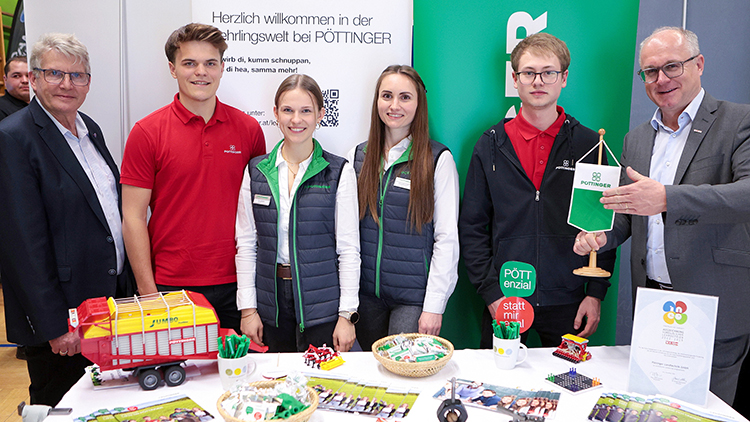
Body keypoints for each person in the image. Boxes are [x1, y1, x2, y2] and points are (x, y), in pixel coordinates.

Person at [574, 26, 750, 405]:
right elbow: (629, 213)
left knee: (707, 412)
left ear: (698, 64)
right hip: (653, 306)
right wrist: (604, 235)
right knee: (652, 407)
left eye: (672, 66)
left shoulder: (739, 121)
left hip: (713, 307)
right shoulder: (636, 139)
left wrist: (668, 198)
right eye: (650, 72)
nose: (661, 79)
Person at [459, 32, 615, 348]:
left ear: (564, 78)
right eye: (529, 73)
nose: (538, 81)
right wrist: (491, 294)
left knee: (567, 377)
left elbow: (604, 223)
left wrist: (595, 293)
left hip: (569, 301)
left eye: (548, 73)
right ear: (515, 79)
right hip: (506, 298)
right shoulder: (490, 145)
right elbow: (472, 226)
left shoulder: (589, 145)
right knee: (497, 376)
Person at [0, 33, 131, 406]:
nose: (67, 84)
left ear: (88, 82)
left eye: (77, 76)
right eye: (55, 73)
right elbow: (22, 246)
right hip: (65, 321)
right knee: (62, 407)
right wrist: (56, 326)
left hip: (107, 303)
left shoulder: (89, 128)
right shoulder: (14, 138)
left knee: (107, 406)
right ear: (35, 78)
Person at [121, 23, 265, 332]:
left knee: (241, 364)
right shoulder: (146, 133)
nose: (201, 72)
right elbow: (132, 217)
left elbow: (259, 211)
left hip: (239, 286)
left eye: (210, 63)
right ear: (173, 69)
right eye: (189, 63)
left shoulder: (249, 130)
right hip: (171, 287)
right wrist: (148, 293)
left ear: (222, 68)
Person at [235, 74, 360, 352]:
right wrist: (248, 309)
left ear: (320, 115)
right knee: (275, 377)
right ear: (276, 113)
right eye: (288, 110)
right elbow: (246, 245)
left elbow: (349, 249)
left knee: (321, 378)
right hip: (271, 306)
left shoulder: (339, 171)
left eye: (306, 111)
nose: (296, 119)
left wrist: (346, 315)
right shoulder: (256, 171)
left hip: (323, 307)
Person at [348, 65, 459, 351]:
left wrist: (434, 306)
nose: (394, 105)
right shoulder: (357, 157)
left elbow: (446, 238)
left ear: (419, 104)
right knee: (368, 372)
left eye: (405, 97)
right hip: (365, 297)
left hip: (413, 301)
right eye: (387, 96)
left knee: (402, 369)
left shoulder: (438, 160)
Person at [0, 55, 30, 121]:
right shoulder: (1, 109)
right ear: (5, 80)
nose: (25, 80)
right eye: (16, 76)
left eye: (28, 75)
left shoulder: (46, 105)